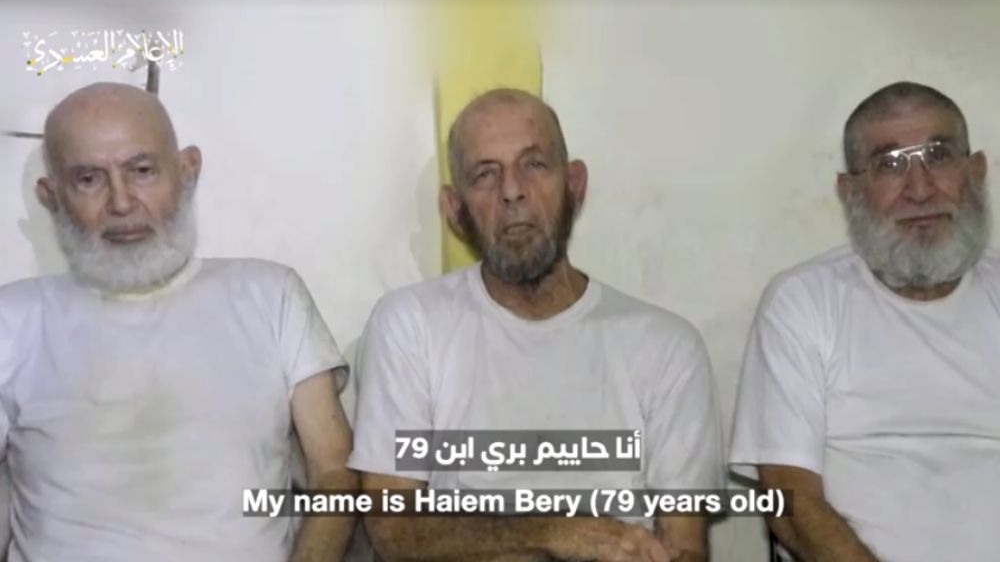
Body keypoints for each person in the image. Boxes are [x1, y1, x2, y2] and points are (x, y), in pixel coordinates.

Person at [349, 88, 723, 561]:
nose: (512, 190)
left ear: (575, 185)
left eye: (534, 164)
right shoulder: (410, 325)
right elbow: (393, 530)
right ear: (454, 209)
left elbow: (684, 547)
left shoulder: (666, 347)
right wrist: (557, 532)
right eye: (485, 174)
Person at [0, 82, 356, 561]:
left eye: (142, 171)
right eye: (88, 179)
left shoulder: (269, 293)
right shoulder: (13, 318)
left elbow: (334, 471)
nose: (121, 202)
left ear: (188, 170)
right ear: (52, 196)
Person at [730, 81, 1000, 561]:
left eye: (938, 156)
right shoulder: (804, 302)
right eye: (889, 164)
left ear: (976, 171)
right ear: (850, 191)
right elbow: (790, 502)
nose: (920, 189)